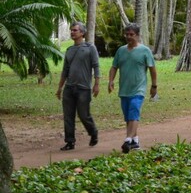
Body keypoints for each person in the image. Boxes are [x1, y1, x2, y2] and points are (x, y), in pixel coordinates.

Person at [107, 23, 157, 153]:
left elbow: (152, 69)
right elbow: (114, 67)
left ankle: (128, 139)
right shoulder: (121, 51)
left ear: (137, 35)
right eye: (126, 34)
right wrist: (111, 81)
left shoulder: (145, 51)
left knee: (134, 112)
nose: (128, 37)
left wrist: (154, 86)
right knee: (128, 116)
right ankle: (135, 141)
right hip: (124, 89)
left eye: (131, 35)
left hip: (138, 89)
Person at [55, 21, 100, 151]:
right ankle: (70, 141)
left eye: (75, 30)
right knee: (68, 116)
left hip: (83, 88)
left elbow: (96, 66)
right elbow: (65, 70)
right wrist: (60, 87)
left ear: (82, 33)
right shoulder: (69, 50)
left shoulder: (90, 48)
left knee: (83, 114)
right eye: (71, 30)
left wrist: (96, 84)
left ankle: (93, 132)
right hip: (69, 88)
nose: (72, 32)